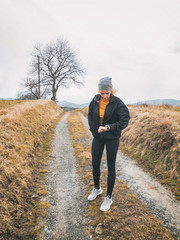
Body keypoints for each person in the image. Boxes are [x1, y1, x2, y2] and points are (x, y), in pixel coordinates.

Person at [87, 77, 130, 211]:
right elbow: (90, 115)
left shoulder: (118, 103)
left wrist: (108, 127)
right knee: (95, 163)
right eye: (102, 93)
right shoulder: (95, 100)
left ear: (111, 91)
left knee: (111, 166)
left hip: (112, 138)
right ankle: (97, 189)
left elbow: (124, 121)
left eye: (107, 93)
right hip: (98, 137)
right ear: (99, 91)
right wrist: (94, 130)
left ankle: (108, 197)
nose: (105, 96)